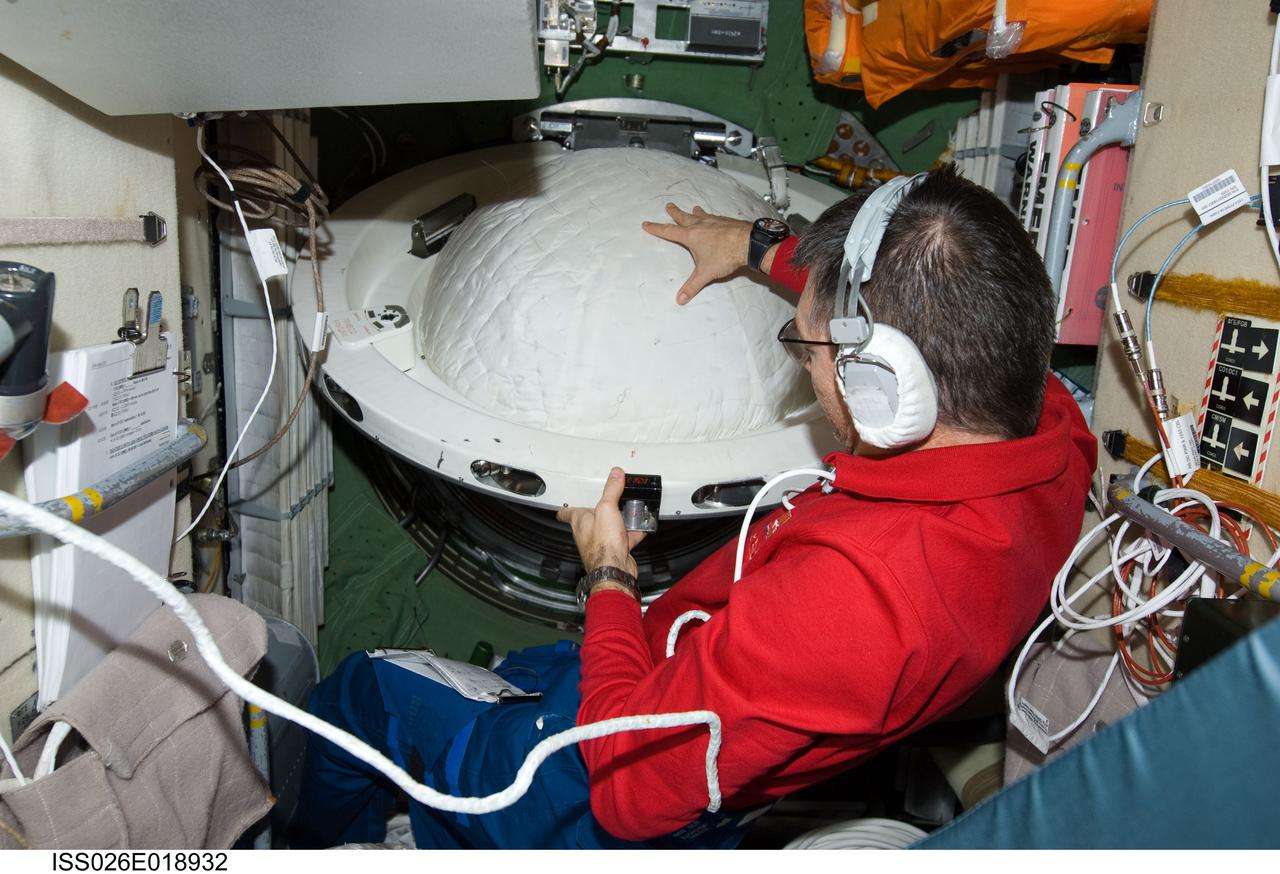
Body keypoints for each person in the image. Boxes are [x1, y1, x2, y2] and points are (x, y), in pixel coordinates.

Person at [290, 164, 1097, 849]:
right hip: (705, 717)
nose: (806, 366)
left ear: (886, 383)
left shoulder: (857, 602)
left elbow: (623, 785)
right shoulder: (1054, 437)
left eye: (807, 348)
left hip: (597, 787)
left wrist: (608, 576)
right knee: (536, 673)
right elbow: (920, 321)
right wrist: (757, 251)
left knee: (368, 693)